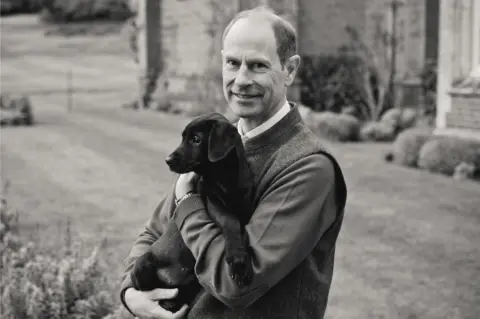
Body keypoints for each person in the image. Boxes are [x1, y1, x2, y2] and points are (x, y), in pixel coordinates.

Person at [120, 6, 347, 319]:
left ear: (289, 70)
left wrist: (188, 203)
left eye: (257, 66)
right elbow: (153, 234)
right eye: (232, 63)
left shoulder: (309, 168)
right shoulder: (214, 146)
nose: (241, 79)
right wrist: (131, 293)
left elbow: (238, 284)